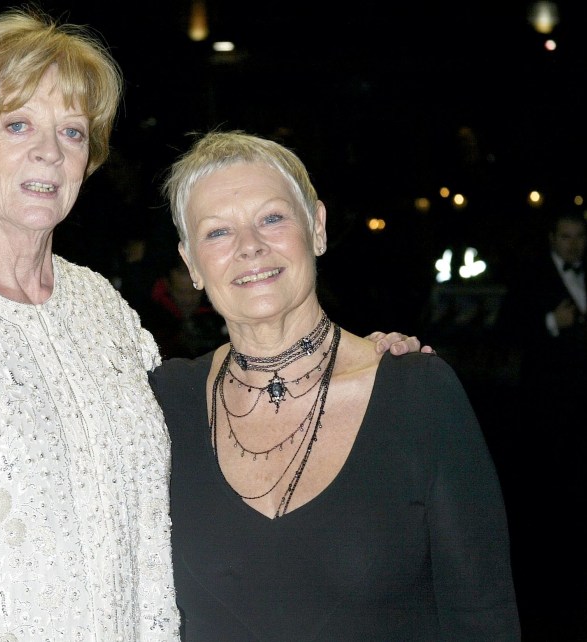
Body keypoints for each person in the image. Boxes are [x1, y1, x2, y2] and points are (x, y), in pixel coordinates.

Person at [0, 10, 427, 641]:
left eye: (73, 132)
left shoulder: (101, 311)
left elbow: (205, 426)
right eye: (18, 123)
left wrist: (346, 362)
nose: (49, 151)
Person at [149, 131, 520, 640]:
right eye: (217, 233)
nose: (251, 247)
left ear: (316, 228)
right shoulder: (164, 404)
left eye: (272, 218)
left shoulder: (417, 393)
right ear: (190, 262)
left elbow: (484, 615)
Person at [496, 210, 587, 636]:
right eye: (565, 236)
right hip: (545, 410)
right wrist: (552, 322)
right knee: (546, 493)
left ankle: (579, 568)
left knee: (586, 487)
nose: (573, 244)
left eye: (579, 236)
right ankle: (545, 580)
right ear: (553, 237)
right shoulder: (531, 280)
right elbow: (507, 330)